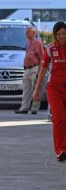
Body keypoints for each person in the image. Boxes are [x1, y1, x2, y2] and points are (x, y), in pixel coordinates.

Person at [33, 21, 66, 161]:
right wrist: (37, 89)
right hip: (54, 89)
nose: (61, 36)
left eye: (64, 33)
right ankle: (60, 150)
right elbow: (43, 69)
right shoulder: (50, 49)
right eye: (58, 34)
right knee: (59, 118)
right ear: (55, 35)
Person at [15, 26, 43, 114]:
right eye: (26, 32)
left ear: (33, 33)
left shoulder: (38, 43)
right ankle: (24, 108)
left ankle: (34, 108)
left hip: (35, 68)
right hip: (27, 69)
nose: (26, 34)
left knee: (36, 89)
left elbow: (42, 57)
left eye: (28, 32)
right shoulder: (28, 42)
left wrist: (40, 71)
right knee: (26, 89)